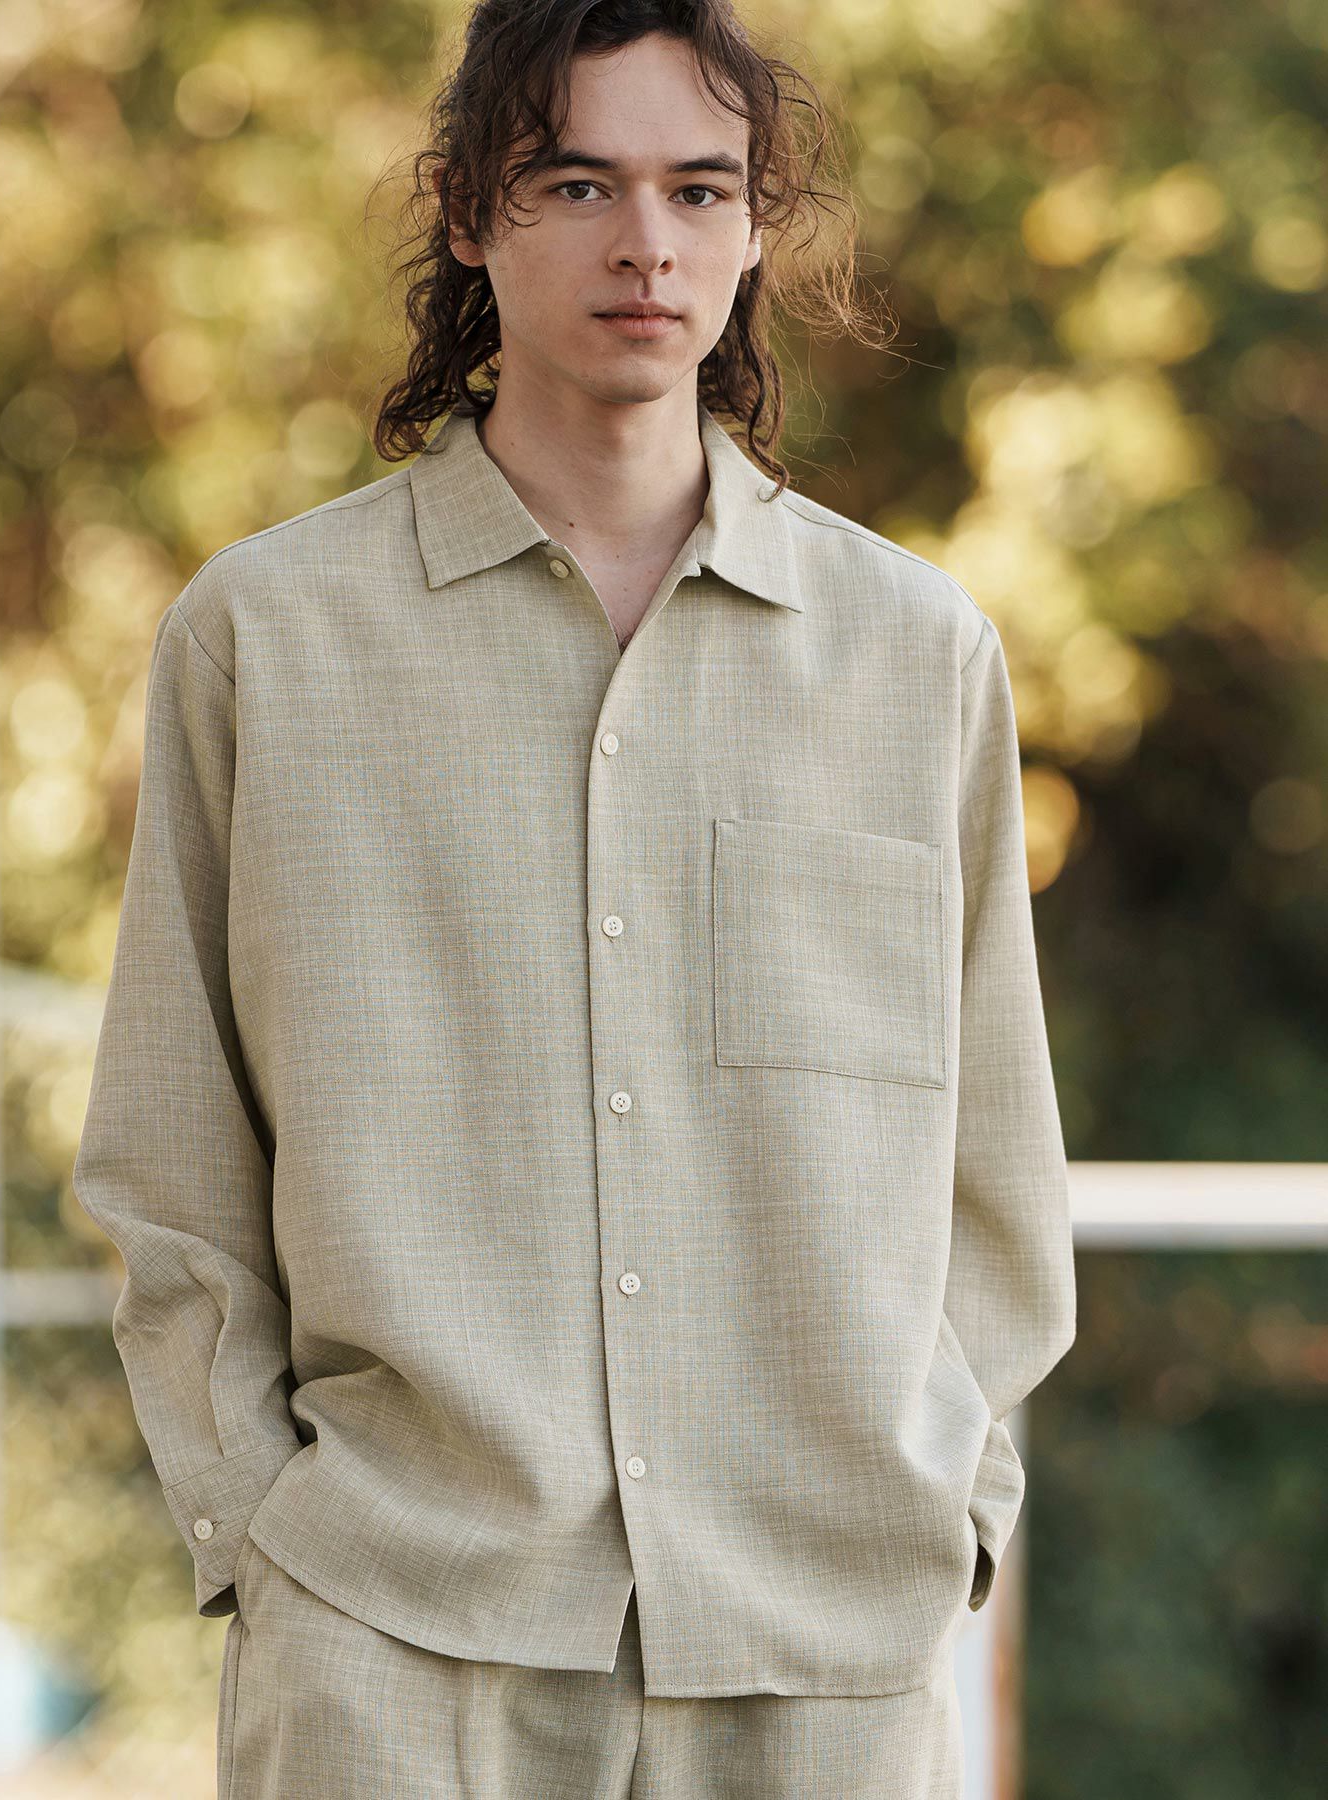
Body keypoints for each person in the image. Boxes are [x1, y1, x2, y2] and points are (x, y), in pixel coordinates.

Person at [72, 2, 1077, 1794]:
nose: (647, 244)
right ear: (470, 212)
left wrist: (955, 1508)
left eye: (701, 189)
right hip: (393, 1641)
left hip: (821, 1654)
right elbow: (171, 1156)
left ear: (756, 229)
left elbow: (997, 1171)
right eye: (577, 183)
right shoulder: (266, 642)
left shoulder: (917, 658)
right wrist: (265, 1538)